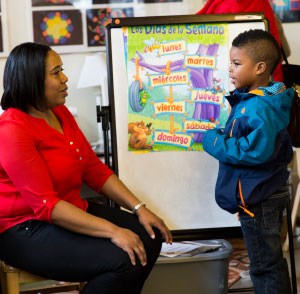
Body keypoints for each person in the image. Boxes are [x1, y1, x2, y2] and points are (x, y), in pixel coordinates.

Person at [0, 42, 172, 294]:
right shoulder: (12, 130)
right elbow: (47, 206)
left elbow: (93, 168)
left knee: (151, 235)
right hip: (25, 227)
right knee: (123, 260)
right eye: (56, 72)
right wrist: (114, 232)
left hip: (68, 209)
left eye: (62, 70)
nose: (65, 78)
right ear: (32, 80)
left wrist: (139, 208)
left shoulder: (59, 112)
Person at [202, 29, 294, 293]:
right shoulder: (266, 97)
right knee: (270, 261)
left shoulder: (257, 107)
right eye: (231, 62)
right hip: (265, 190)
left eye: (237, 63)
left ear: (260, 68)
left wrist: (213, 140)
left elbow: (254, 152)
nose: (229, 69)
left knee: (264, 265)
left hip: (258, 197)